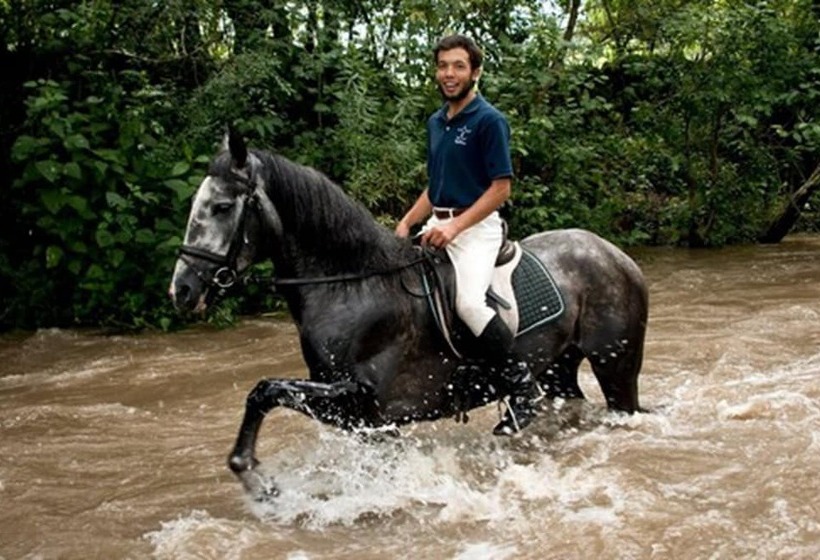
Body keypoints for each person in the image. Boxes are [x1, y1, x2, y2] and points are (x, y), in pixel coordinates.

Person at [395, 34, 540, 435]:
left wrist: (456, 226)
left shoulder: (489, 121)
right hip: (436, 223)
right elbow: (435, 185)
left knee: (470, 305)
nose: (449, 73)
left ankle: (522, 388)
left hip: (475, 230)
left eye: (458, 66)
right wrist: (407, 223)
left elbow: (501, 188)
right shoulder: (436, 122)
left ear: (475, 71)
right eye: (443, 65)